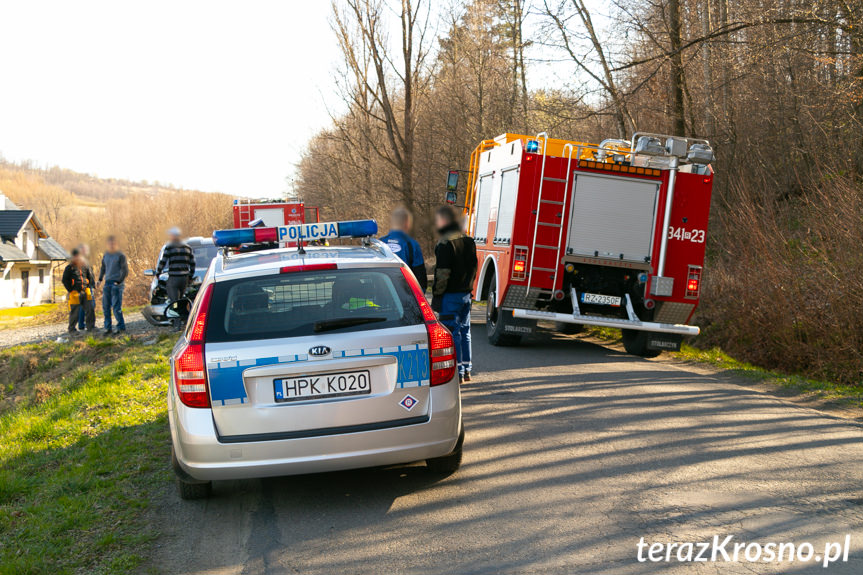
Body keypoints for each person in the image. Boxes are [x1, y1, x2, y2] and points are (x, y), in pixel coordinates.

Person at [431, 205, 477, 383]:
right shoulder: (469, 240)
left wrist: (437, 295)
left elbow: (442, 272)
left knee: (451, 333)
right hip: (466, 294)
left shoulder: (445, 243)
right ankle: (466, 369)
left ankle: (456, 372)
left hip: (450, 296)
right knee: (465, 332)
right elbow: (474, 267)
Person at [156, 227, 196, 329]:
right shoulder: (187, 247)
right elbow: (192, 264)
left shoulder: (169, 247)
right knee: (182, 300)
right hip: (184, 279)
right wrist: (190, 276)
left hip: (174, 278)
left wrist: (158, 273)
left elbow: (163, 261)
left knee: (174, 302)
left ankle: (177, 325)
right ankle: (187, 323)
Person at [380, 207, 427, 292]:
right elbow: (420, 276)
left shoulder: (380, 243)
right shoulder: (412, 245)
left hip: (383, 294)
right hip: (406, 296)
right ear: (407, 223)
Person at [97, 235, 128, 335]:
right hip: (107, 283)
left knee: (116, 307)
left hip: (117, 284)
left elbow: (125, 271)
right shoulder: (106, 255)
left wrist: (119, 281)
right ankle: (108, 327)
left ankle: (120, 327)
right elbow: (103, 268)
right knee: (106, 307)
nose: (111, 245)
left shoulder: (120, 255)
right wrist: (100, 279)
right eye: (109, 243)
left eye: (113, 243)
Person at [62, 249, 86, 334]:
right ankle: (72, 329)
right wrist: (70, 289)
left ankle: (91, 327)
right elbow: (64, 280)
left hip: (84, 291)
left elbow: (87, 276)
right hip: (74, 292)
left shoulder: (83, 266)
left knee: (89, 309)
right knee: (75, 312)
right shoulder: (69, 268)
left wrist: (89, 284)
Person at [74, 243, 96, 331]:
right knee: (88, 305)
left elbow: (90, 273)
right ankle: (85, 324)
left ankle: (83, 324)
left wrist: (93, 283)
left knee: (84, 306)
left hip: (89, 286)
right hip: (83, 287)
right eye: (84, 250)